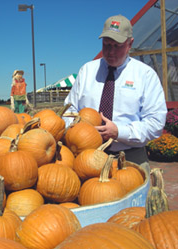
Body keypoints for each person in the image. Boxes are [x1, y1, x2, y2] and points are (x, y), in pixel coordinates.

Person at [63, 14, 167, 172]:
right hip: (88, 158)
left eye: (117, 46)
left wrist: (119, 131)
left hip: (130, 159)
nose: (110, 51)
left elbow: (155, 123)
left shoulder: (145, 75)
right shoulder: (87, 71)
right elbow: (68, 110)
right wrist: (80, 130)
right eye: (106, 45)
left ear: (130, 44)